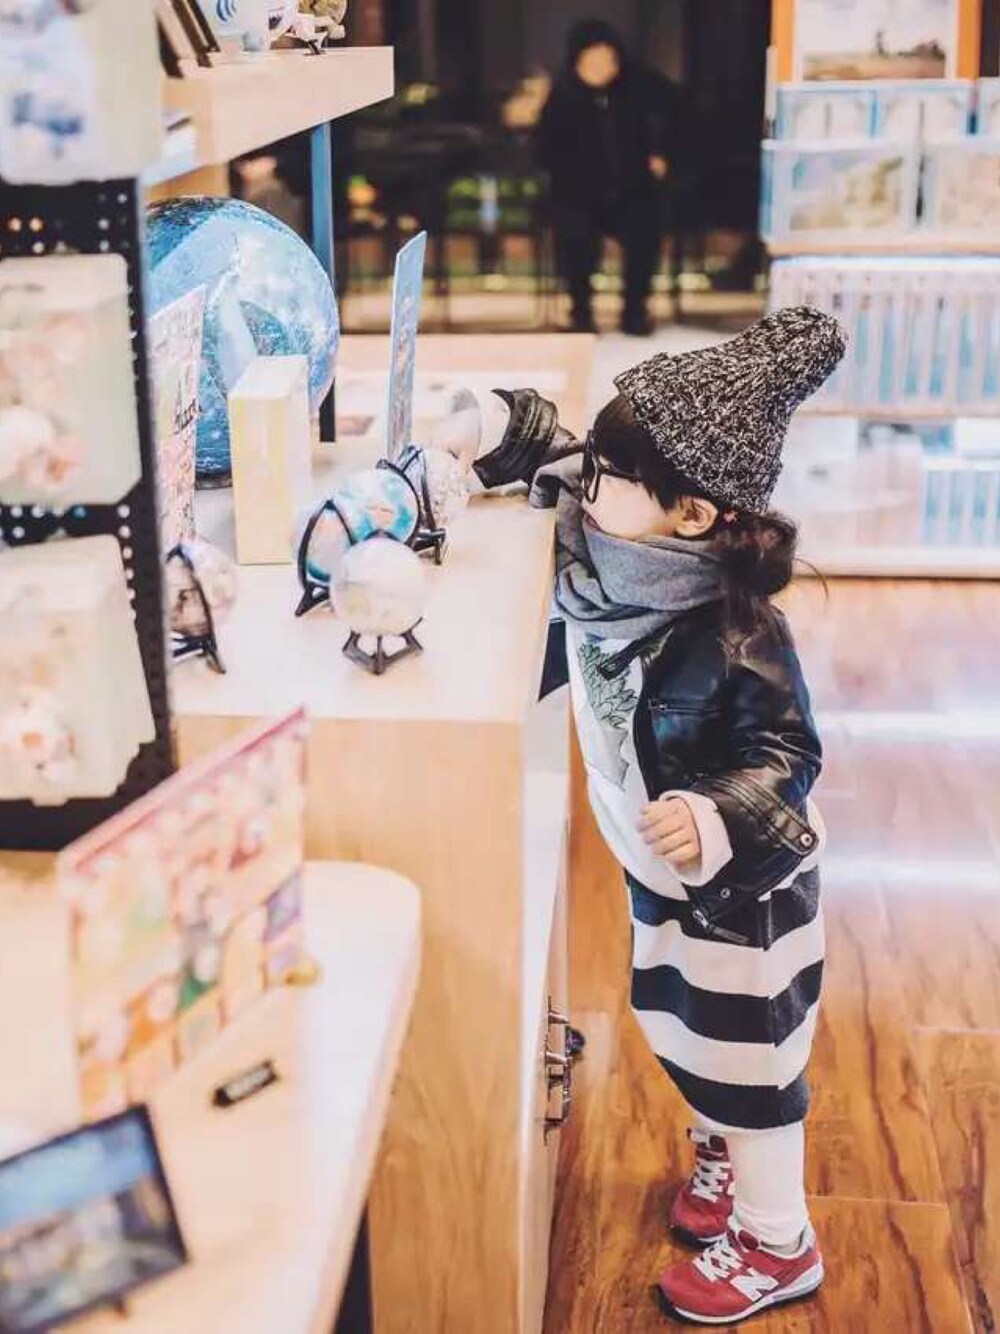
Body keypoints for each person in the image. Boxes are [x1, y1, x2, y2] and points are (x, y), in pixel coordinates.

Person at [471, 307, 846, 1325]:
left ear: (690, 513)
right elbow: (555, 451)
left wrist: (712, 814)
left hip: (739, 895)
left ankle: (778, 1239)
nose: (582, 485)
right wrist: (486, 424)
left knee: (751, 1064)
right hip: (663, 870)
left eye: (607, 476)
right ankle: (718, 1149)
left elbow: (787, 755)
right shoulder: (619, 561)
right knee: (687, 1031)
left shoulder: (731, 633)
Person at [535, 18, 683, 336]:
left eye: (607, 61)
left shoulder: (642, 87)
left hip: (632, 187)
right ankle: (581, 312)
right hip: (578, 193)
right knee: (573, 234)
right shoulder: (563, 96)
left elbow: (675, 121)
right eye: (592, 63)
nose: (601, 70)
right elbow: (546, 147)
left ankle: (634, 310)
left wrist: (662, 155)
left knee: (645, 228)